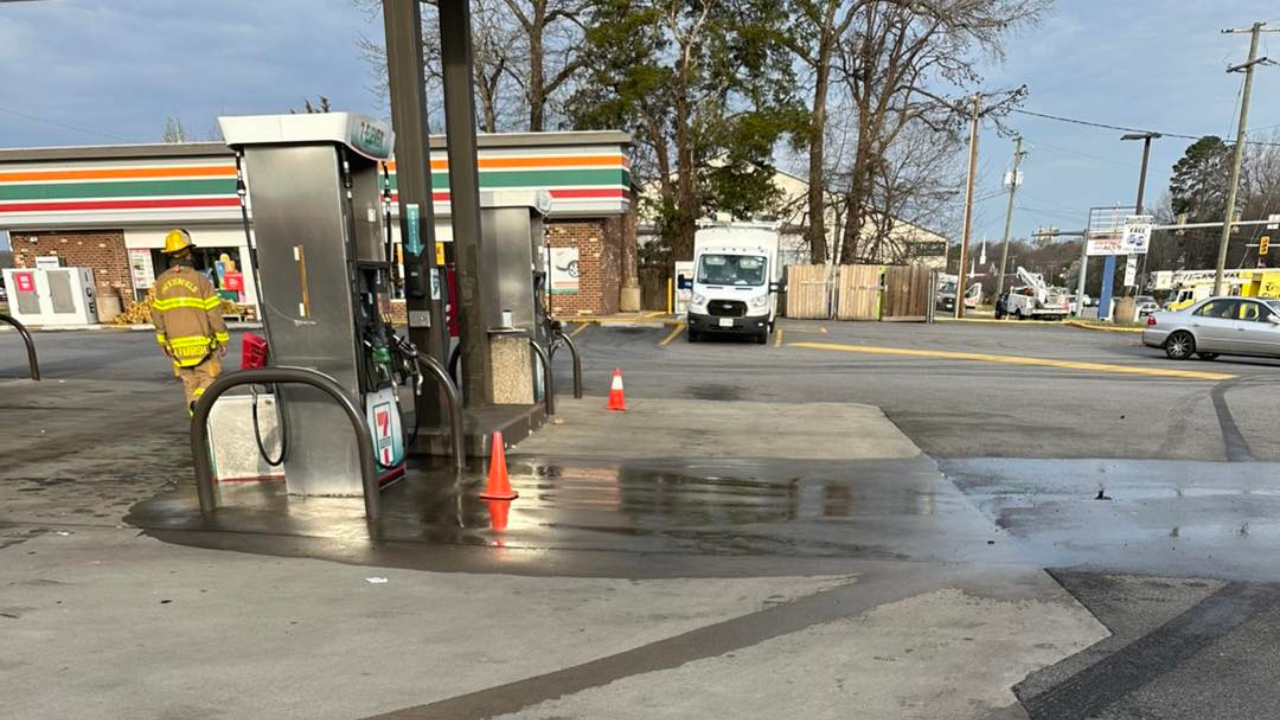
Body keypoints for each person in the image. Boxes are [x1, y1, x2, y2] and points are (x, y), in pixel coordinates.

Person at [150, 229, 228, 415]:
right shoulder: (200, 280)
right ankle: (199, 403)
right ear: (189, 253)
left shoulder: (161, 282)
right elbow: (213, 312)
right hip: (202, 343)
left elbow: (157, 314)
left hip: (177, 346)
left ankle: (196, 423)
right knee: (209, 377)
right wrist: (222, 338)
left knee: (189, 383)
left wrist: (162, 340)